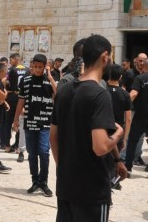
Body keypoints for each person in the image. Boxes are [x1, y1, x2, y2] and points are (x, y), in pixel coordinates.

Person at [51, 35, 127, 222]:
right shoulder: (100, 95)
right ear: (104, 56)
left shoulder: (63, 90)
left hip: (66, 184)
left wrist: (64, 167)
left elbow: (53, 136)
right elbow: (100, 146)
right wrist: (119, 134)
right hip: (92, 189)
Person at [13, 53, 58, 196]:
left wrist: (50, 77)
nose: (37, 70)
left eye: (40, 67)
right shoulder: (26, 81)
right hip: (30, 122)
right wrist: (15, 120)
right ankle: (35, 180)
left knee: (44, 152)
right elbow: (21, 100)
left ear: (45, 67)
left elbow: (58, 94)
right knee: (32, 153)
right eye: (35, 67)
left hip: (46, 122)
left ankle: (43, 182)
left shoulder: (50, 81)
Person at [4, 52, 27, 154]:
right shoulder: (27, 70)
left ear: (17, 59)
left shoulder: (11, 70)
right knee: (19, 121)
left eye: (11, 60)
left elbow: (7, 82)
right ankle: (18, 146)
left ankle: (7, 145)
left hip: (12, 96)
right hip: (22, 97)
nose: (10, 62)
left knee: (8, 122)